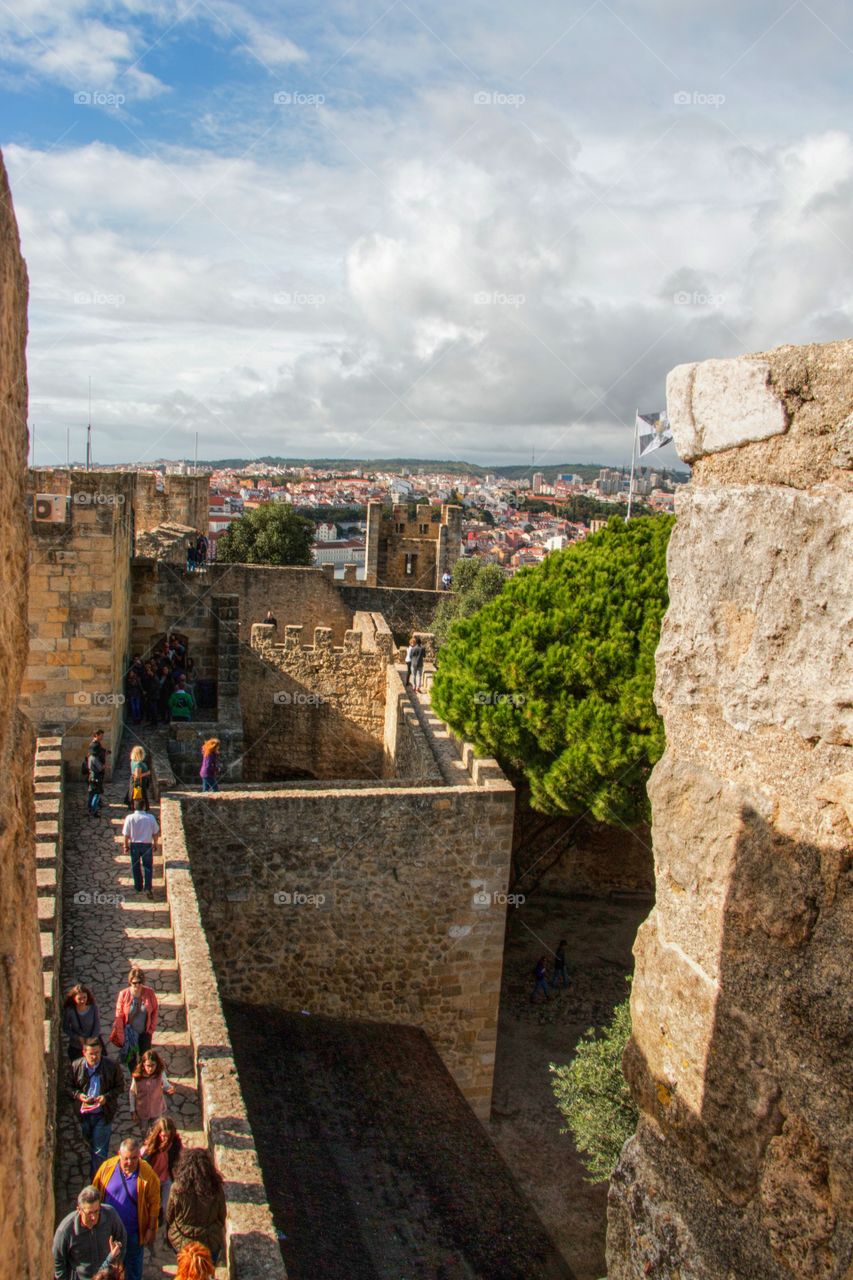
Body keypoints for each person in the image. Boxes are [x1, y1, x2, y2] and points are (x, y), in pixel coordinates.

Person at [93, 1137, 161, 1280]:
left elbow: (154, 1203)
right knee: (108, 1270)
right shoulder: (106, 1168)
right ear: (119, 1154)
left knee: (133, 1270)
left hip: (133, 1234)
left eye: (134, 1158)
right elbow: (95, 1192)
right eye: (126, 1159)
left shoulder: (147, 1174)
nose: (130, 1162)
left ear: (139, 1156)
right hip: (108, 1233)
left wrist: (151, 1228)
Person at [68, 1038, 124, 1178]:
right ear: (84, 1053)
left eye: (97, 1053)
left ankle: (97, 1182)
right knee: (91, 1142)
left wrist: (106, 1097)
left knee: (99, 1151)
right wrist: (80, 1096)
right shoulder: (76, 1066)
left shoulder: (111, 1066)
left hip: (103, 1114)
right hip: (84, 1115)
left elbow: (120, 1086)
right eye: (91, 1054)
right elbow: (68, 1087)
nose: (94, 1057)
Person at [166, 1148, 226, 1265]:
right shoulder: (215, 1188)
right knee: (206, 1270)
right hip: (209, 1241)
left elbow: (170, 1215)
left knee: (185, 1271)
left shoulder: (177, 1188)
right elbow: (222, 1215)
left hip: (182, 1241)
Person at [53, 1184, 126, 1280]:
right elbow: (59, 1263)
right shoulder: (65, 1231)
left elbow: (122, 1238)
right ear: (79, 1210)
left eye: (96, 1211)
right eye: (89, 1213)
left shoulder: (110, 1215)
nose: (94, 1217)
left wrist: (116, 1261)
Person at [111, 968, 158, 1071]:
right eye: (134, 982)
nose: (137, 985)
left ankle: (143, 1076)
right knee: (131, 1059)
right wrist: (121, 1035)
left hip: (144, 1033)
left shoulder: (149, 993)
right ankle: (135, 1077)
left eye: (139, 982)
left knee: (145, 1057)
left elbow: (154, 1010)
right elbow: (119, 1016)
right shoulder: (124, 994)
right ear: (130, 982)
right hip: (130, 1033)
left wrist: (151, 1028)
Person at [140, 1116, 183, 1221]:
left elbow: (178, 1161)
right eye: (163, 1136)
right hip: (152, 1179)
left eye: (168, 1136)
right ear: (158, 1134)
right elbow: (142, 1161)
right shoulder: (150, 1148)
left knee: (165, 1206)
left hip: (166, 1178)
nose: (166, 1139)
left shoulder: (175, 1146)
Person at [121, 800, 160, 899]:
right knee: (148, 867)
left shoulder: (129, 818)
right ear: (144, 807)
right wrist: (155, 844)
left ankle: (138, 886)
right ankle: (148, 887)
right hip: (147, 845)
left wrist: (125, 846)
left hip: (134, 845)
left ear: (134, 807)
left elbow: (126, 835)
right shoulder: (150, 818)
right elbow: (155, 833)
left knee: (135, 866)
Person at [130, 1050, 175, 1128]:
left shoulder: (160, 1074)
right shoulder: (137, 1078)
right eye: (148, 1065)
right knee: (145, 1135)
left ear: (157, 1064)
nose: (150, 1069)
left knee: (156, 1134)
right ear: (143, 1064)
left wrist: (170, 1089)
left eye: (153, 1065)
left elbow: (166, 1085)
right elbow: (132, 1093)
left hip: (157, 1111)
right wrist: (133, 1110)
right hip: (142, 1112)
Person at [63, 982, 103, 1061]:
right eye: (79, 999)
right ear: (74, 998)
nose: (82, 1001)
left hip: (93, 1045)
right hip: (77, 1047)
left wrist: (91, 1039)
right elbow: (65, 1028)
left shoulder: (93, 1008)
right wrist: (77, 1038)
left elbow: (97, 1025)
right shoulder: (70, 1011)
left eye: (84, 997)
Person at [86, 730, 109, 819]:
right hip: (96, 776)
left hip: (91, 776)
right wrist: (104, 766)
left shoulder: (90, 757)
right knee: (96, 794)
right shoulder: (94, 758)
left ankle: (89, 808)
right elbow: (100, 768)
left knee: (91, 793)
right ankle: (93, 810)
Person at [125, 746, 151, 813]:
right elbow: (137, 775)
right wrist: (147, 773)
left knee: (135, 795)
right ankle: (141, 809)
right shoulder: (138, 764)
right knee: (140, 796)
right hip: (139, 782)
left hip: (134, 781)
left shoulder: (133, 761)